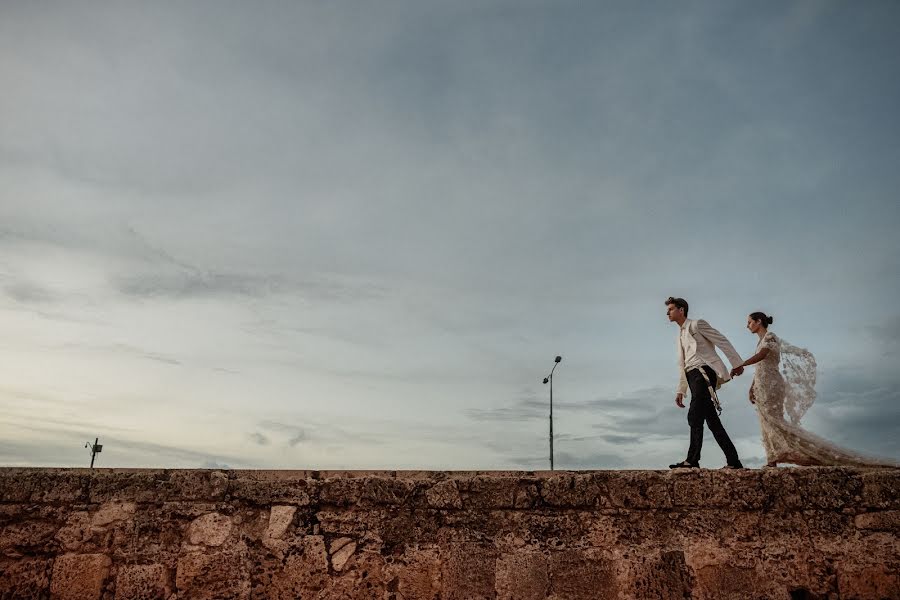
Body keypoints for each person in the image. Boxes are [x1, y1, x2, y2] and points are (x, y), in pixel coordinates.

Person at [731, 312, 899, 468]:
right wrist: (752, 387)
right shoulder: (758, 342)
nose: (747, 326)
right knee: (766, 421)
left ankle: (805, 454)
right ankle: (772, 458)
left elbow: (762, 356)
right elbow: (760, 366)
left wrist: (741, 364)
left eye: (749, 322)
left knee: (775, 420)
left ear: (759, 322)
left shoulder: (770, 337)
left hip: (771, 385)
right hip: (761, 384)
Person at [665, 297, 745, 470]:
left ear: (681, 310)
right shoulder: (679, 335)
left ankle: (692, 460)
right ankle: (734, 461)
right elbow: (683, 365)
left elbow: (721, 340)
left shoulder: (696, 324)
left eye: (671, 309)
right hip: (691, 376)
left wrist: (736, 363)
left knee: (694, 414)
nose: (667, 313)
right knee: (712, 420)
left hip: (703, 371)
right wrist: (681, 390)